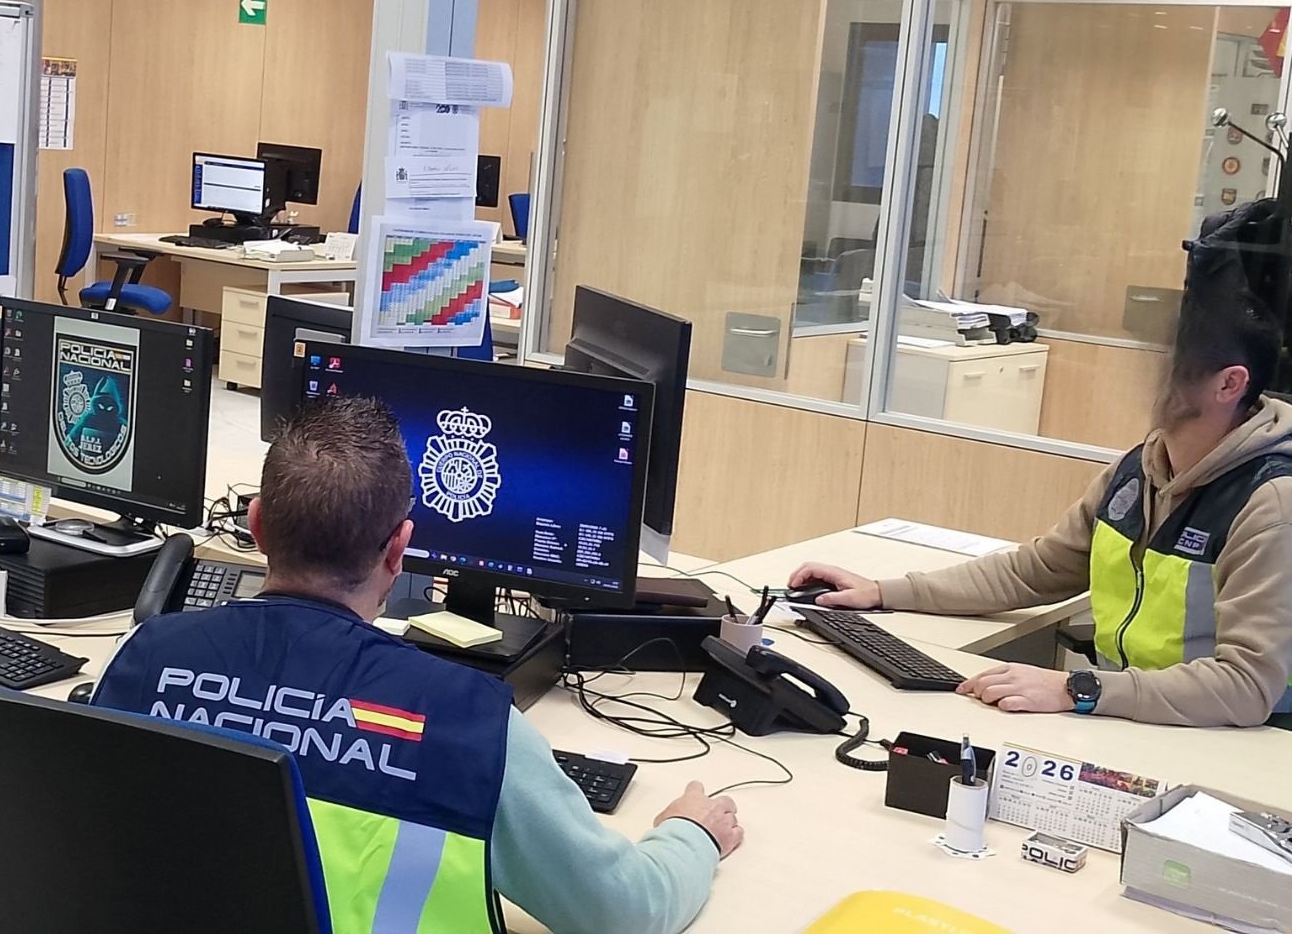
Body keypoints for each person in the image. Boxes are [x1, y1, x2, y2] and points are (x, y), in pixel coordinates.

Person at [94, 397, 738, 933]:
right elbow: (624, 912)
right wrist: (691, 835)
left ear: (257, 526)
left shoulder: (142, 658)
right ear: (400, 547)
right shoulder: (471, 726)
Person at [789, 294, 1292, 727]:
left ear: (1229, 384)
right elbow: (1038, 570)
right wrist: (884, 592)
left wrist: (1078, 689)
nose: (1146, 376)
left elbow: (1246, 686)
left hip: (1238, 739)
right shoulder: (1141, 468)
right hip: (1137, 717)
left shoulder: (1269, 502)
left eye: (1168, 365)